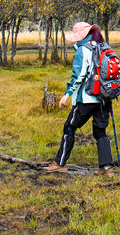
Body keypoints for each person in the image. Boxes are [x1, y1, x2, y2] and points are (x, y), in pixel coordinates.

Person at [42, 22, 115, 176]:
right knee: (100, 131)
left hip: (87, 98)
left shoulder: (83, 50)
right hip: (104, 97)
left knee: (69, 127)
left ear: (80, 36)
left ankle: (60, 163)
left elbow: (80, 75)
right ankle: (107, 168)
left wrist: (67, 94)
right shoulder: (103, 46)